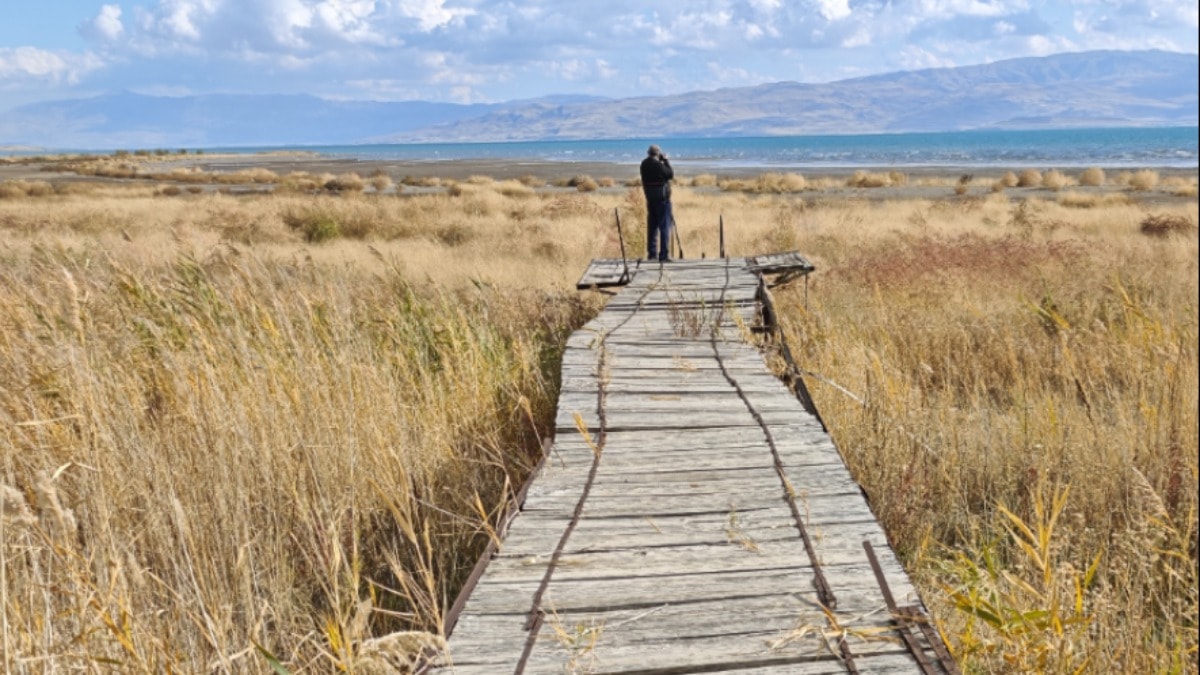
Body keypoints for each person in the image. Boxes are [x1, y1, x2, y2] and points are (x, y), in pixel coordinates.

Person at [639, 144, 674, 262]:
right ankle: (664, 254)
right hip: (662, 200)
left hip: (650, 199)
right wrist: (666, 161)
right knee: (664, 227)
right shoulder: (659, 165)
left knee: (652, 227)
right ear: (658, 154)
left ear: (648, 153)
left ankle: (652, 254)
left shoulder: (644, 164)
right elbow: (670, 174)